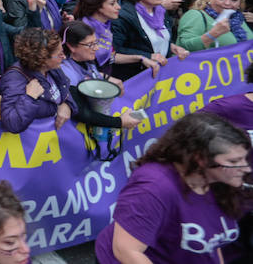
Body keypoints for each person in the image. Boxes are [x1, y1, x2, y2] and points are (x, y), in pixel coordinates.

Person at [96, 112, 251, 264]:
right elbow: (127, 251)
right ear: (201, 159)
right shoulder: (153, 188)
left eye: (244, 158)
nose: (246, 169)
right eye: (233, 161)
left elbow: (213, 245)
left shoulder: (219, 182)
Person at [59, 21, 140, 131]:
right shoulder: (66, 71)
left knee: (140, 113)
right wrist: (120, 122)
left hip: (96, 126)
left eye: (96, 42)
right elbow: (81, 112)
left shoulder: (87, 59)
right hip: (79, 135)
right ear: (71, 46)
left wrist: (106, 78)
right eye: (90, 44)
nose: (96, 48)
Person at [112, 0, 189, 80]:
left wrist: (172, 47)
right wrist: (147, 56)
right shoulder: (124, 17)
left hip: (159, 76)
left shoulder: (161, 12)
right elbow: (114, 51)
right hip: (134, 78)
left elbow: (159, 38)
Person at [0, 28, 77, 133]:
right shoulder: (15, 79)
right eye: (59, 54)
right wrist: (29, 98)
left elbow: (64, 89)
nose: (63, 57)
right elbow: (12, 123)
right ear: (42, 59)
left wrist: (67, 104)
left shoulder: (53, 69)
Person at [177, 0, 253, 51]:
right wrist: (213, 34)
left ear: (239, 4)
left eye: (234, 0)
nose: (227, 3)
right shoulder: (196, 15)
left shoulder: (238, 19)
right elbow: (183, 46)